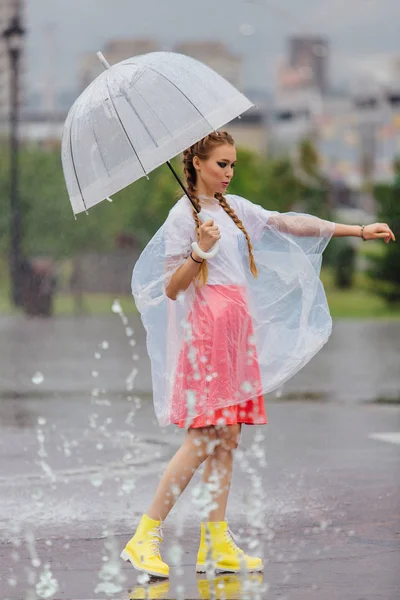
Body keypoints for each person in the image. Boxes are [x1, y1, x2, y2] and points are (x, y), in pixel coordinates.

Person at [121, 131, 395, 579]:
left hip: (234, 330)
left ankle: (217, 542)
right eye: (221, 165)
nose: (228, 173)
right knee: (203, 438)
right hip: (206, 332)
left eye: (232, 165)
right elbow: (171, 288)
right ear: (195, 164)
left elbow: (289, 222)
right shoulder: (181, 218)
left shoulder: (235, 208)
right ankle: (145, 535)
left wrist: (357, 230)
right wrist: (198, 249)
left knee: (228, 439)